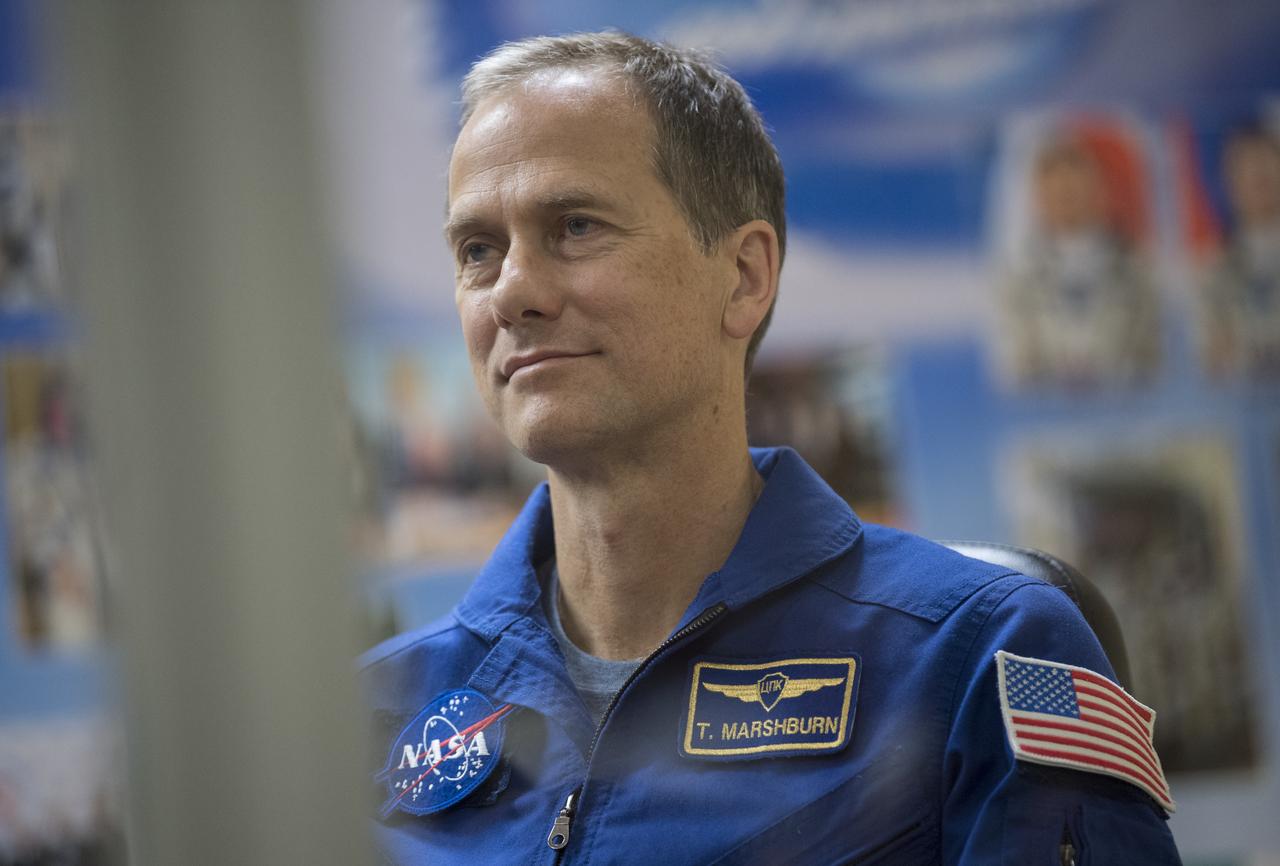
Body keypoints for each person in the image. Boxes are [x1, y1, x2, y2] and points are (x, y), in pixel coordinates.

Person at [360, 32, 1182, 864]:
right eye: (478, 251)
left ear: (745, 277)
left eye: (575, 227)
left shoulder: (982, 655)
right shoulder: (362, 716)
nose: (512, 293)